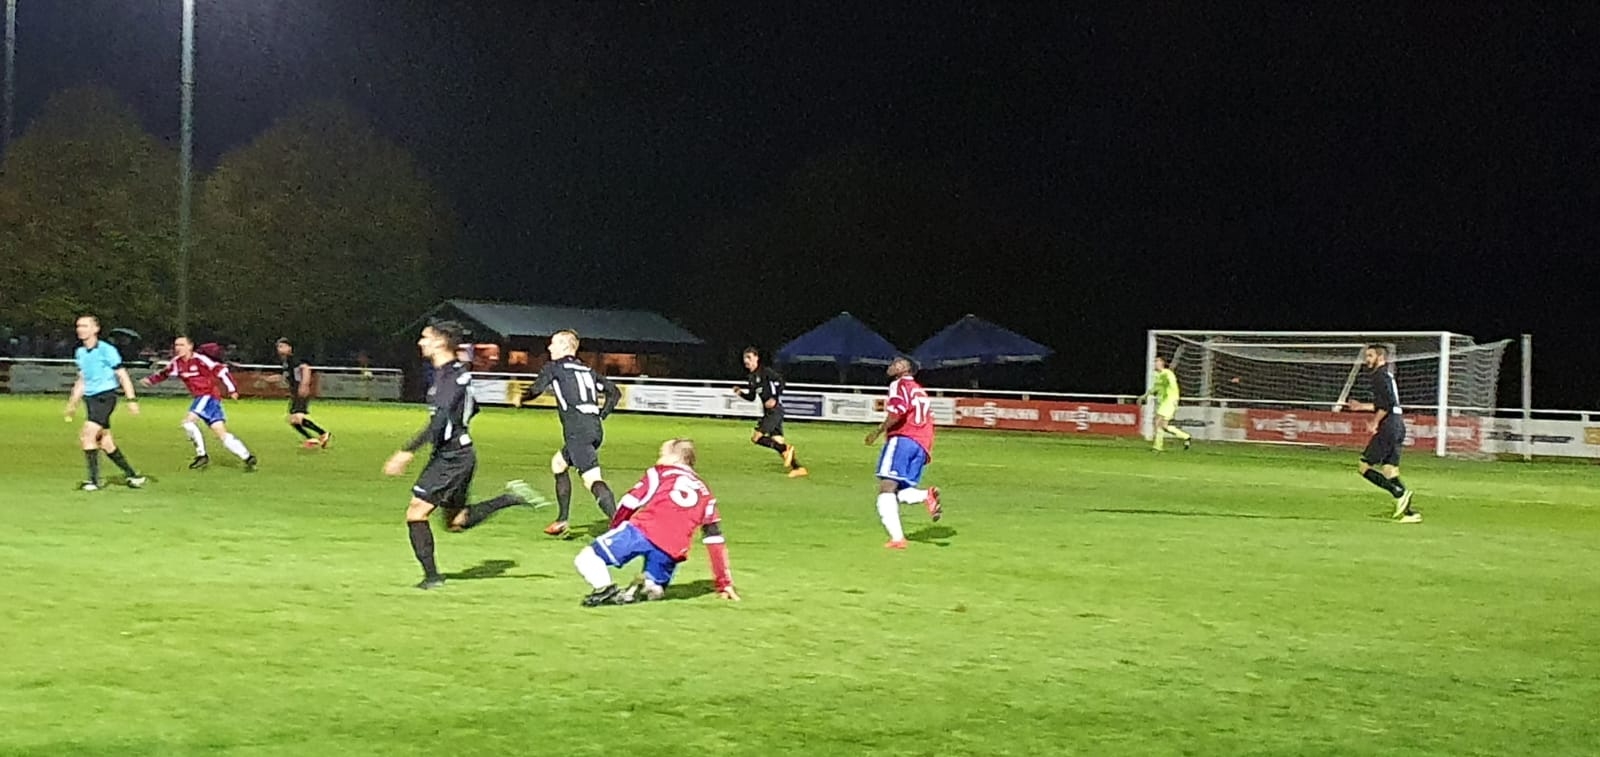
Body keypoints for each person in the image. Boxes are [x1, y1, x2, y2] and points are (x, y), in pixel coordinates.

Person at [383, 321, 538, 589]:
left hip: (452, 456)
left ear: (441, 342)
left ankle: (432, 578)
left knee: (416, 513)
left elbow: (440, 418)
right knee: (456, 521)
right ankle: (510, 498)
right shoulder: (454, 372)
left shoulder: (451, 376)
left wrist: (406, 451)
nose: (420, 342)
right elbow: (472, 407)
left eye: (425, 337)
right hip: (458, 452)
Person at [572, 439, 738, 606]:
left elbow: (629, 502)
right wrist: (724, 583)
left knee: (587, 559)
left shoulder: (660, 472)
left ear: (674, 458)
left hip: (643, 531)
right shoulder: (705, 491)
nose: (658, 459)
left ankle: (605, 590)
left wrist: (615, 528)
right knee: (654, 591)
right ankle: (648, 586)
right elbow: (715, 540)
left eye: (662, 454)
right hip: (673, 548)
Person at [516, 330, 621, 537]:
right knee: (558, 464)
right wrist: (601, 415)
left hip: (577, 432)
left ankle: (620, 525)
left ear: (565, 347)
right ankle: (562, 520)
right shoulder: (587, 369)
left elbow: (536, 389)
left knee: (592, 479)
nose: (549, 348)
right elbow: (614, 392)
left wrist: (522, 398)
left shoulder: (555, 367)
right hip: (594, 428)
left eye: (553, 344)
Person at [142, 336, 258, 471]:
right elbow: (164, 373)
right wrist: (150, 380)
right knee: (221, 433)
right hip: (209, 400)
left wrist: (232, 389)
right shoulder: (176, 362)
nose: (178, 348)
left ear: (190, 346)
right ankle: (247, 457)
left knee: (187, 423)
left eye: (182, 345)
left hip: (207, 395)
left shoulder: (200, 360)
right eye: (176, 345)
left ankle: (202, 455)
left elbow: (221, 371)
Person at [863, 356, 942, 549]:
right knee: (900, 490)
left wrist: (878, 431)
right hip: (921, 444)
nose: (891, 365)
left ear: (906, 368)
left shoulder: (899, 385)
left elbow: (897, 411)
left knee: (886, 487)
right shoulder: (919, 390)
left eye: (896, 363)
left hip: (903, 439)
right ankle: (926, 496)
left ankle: (897, 539)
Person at [62, 315, 146, 491]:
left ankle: (93, 481)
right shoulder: (81, 352)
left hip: (105, 397)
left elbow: (122, 375)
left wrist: (131, 399)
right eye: (78, 326)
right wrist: (72, 403)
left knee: (87, 435)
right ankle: (133, 476)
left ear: (95, 329)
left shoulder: (107, 350)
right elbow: (82, 380)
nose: (80, 329)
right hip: (91, 399)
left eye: (85, 326)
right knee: (105, 441)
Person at [1346, 345, 1421, 523]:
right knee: (1389, 469)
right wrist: (1360, 407)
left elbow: (1385, 406)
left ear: (1380, 357)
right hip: (1398, 424)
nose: (1367, 359)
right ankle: (1408, 513)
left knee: (1364, 467)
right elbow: (1386, 403)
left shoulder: (1378, 376)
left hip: (1389, 426)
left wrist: (1374, 422)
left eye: (1370, 355)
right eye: (1367, 355)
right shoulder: (1386, 375)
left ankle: (1399, 493)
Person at [732, 347, 807, 477]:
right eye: (745, 358)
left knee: (756, 438)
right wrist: (740, 393)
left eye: (749, 357)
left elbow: (781, 382)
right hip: (770, 412)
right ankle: (798, 468)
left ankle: (786, 449)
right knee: (777, 441)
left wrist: (774, 397)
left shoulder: (765, 371)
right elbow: (752, 397)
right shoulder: (751, 377)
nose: (746, 360)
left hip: (774, 410)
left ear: (756, 358)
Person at [276, 338, 331, 448]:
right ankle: (315, 437)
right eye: (278, 347)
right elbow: (284, 377)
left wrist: (304, 385)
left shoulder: (294, 359)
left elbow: (306, 368)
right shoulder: (286, 362)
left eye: (282, 346)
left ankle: (321, 434)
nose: (279, 349)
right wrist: (265, 379)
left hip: (300, 391)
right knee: (293, 420)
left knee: (296, 418)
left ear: (289, 347)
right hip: (295, 392)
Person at [1138, 355, 1193, 452]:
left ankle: (1157, 447)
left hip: (1170, 401)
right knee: (1164, 426)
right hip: (1164, 402)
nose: (1155, 363)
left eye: (1157, 361)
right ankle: (1186, 437)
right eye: (1155, 361)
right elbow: (1155, 388)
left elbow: (1173, 385)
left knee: (1157, 422)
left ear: (1162, 363)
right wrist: (1145, 396)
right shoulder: (1158, 375)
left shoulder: (1167, 373)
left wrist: (1175, 399)